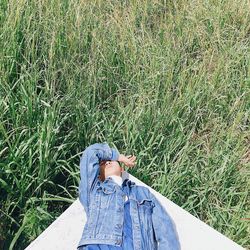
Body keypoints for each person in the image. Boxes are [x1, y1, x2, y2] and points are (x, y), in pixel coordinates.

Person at [77, 142, 180, 250]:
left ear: (122, 169)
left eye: (111, 161)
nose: (107, 162)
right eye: (102, 163)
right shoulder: (93, 189)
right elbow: (91, 152)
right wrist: (117, 156)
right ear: (98, 174)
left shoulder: (143, 193)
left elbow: (166, 230)